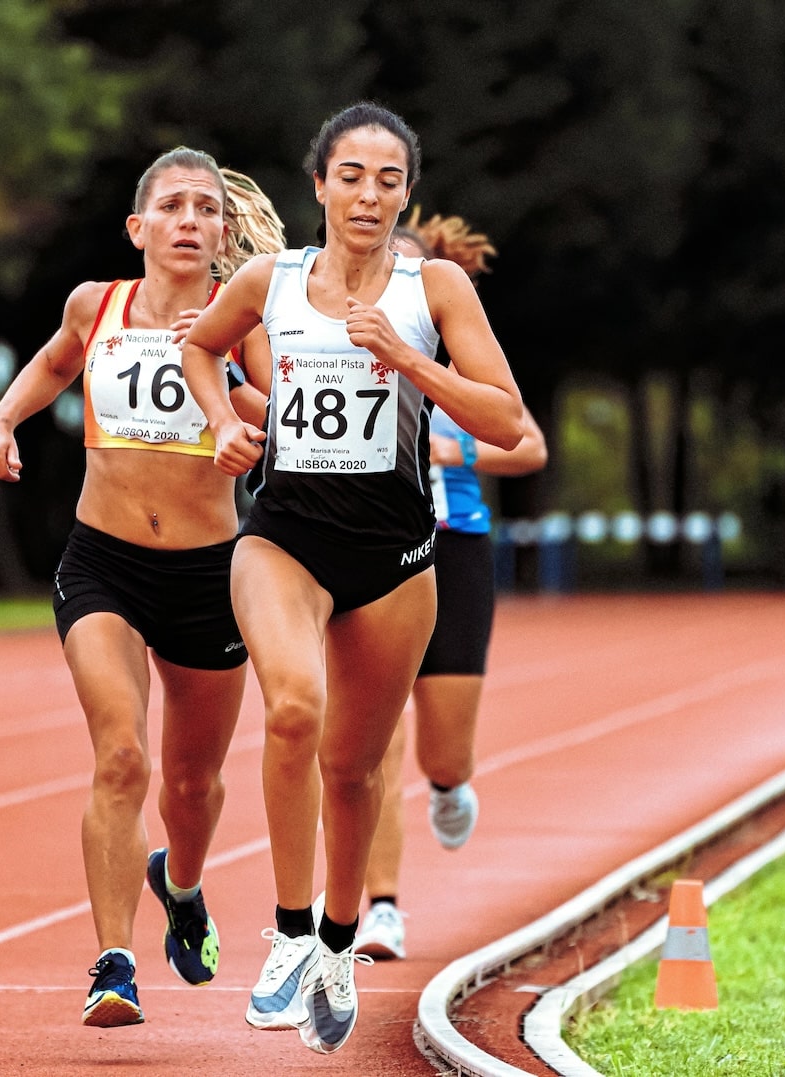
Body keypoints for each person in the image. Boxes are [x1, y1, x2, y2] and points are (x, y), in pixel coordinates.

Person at [181, 102, 526, 1054]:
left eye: (387, 178)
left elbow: (504, 421)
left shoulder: (435, 286)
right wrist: (222, 424)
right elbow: (200, 347)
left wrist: (408, 359)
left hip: (394, 556)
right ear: (320, 183)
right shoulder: (271, 279)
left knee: (354, 765)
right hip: (283, 536)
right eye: (351, 175)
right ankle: (291, 934)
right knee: (293, 708)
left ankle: (339, 937)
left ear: (406, 190)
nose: (368, 194)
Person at [0, 147, 284, 1028]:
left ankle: (180, 883)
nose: (191, 219)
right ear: (139, 228)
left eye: (207, 208)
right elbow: (55, 365)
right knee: (121, 757)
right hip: (102, 560)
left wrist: (234, 402)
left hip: (209, 575)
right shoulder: (95, 304)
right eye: (173, 205)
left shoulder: (243, 320)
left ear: (224, 233)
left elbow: (283, 411)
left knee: (192, 782)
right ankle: (113, 962)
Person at [354, 215, 549, 962]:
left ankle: (448, 784)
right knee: (372, 741)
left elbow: (528, 444)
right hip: (370, 549)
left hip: (456, 547)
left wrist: (454, 442)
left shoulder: (458, 356)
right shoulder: (343, 344)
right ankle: (381, 907)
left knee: (442, 755)